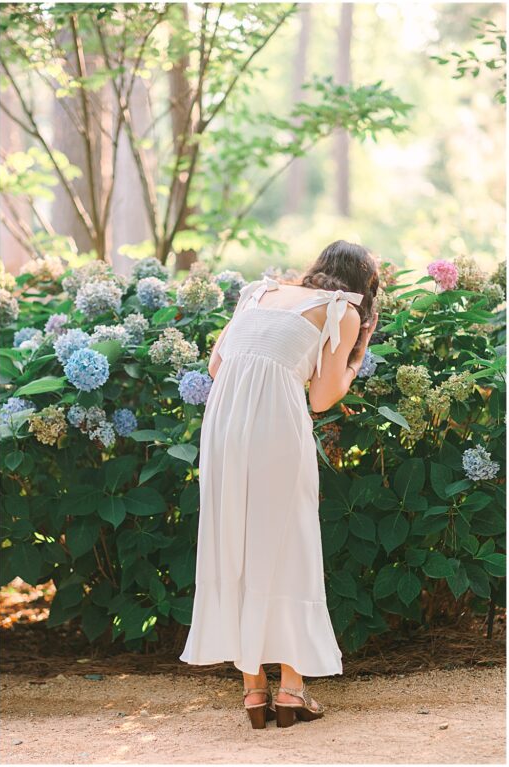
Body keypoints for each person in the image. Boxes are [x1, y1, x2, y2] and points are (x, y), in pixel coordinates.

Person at [179, 240, 380, 729]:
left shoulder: (258, 292)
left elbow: (215, 366)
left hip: (224, 424)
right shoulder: (343, 310)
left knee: (234, 541)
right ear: (364, 285)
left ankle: (253, 693)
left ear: (318, 268)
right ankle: (291, 689)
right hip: (276, 425)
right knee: (289, 544)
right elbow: (322, 398)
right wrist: (359, 352)